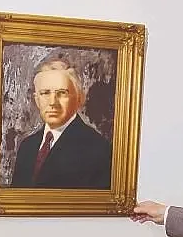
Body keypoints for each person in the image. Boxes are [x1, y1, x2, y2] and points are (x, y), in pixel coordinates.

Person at [11, 60, 111, 189]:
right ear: (37, 100)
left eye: (62, 93)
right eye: (45, 93)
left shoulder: (98, 149)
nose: (53, 102)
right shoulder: (27, 146)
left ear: (79, 98)